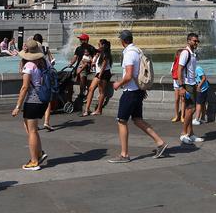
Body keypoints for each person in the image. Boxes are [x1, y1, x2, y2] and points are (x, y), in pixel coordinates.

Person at [109, 30, 167, 163]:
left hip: (130, 92)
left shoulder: (129, 54)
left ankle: (124, 154)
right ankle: (160, 143)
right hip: (138, 91)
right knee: (137, 119)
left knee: (122, 121)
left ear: (123, 41)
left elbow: (128, 75)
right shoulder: (138, 50)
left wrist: (118, 84)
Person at [11, 40, 49, 171]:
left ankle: (34, 161)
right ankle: (39, 153)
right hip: (43, 100)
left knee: (32, 131)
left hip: (33, 100)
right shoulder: (43, 63)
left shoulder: (29, 66)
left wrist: (17, 107)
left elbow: (25, 87)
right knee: (31, 128)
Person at [177, 33, 203, 145]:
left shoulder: (193, 54)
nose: (196, 43)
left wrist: (196, 84)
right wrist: (181, 87)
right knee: (190, 109)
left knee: (190, 110)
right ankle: (183, 134)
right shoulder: (185, 53)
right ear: (188, 41)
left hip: (192, 84)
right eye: (194, 41)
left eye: (197, 41)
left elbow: (192, 71)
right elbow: (179, 70)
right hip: (187, 84)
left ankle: (191, 134)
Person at [84, 39, 112, 116]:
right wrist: (95, 59)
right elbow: (94, 61)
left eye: (99, 44)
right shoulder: (99, 53)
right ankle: (87, 109)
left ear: (103, 45)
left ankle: (99, 110)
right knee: (91, 88)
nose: (98, 46)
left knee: (101, 92)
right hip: (99, 73)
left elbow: (104, 65)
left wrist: (100, 75)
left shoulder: (106, 53)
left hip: (104, 73)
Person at [70, 34, 97, 98]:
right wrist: (71, 64)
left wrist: (91, 62)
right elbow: (75, 57)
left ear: (86, 40)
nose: (80, 40)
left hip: (87, 66)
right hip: (79, 65)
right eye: (80, 39)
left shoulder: (91, 48)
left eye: (82, 39)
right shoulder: (78, 48)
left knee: (82, 74)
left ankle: (82, 91)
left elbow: (95, 57)